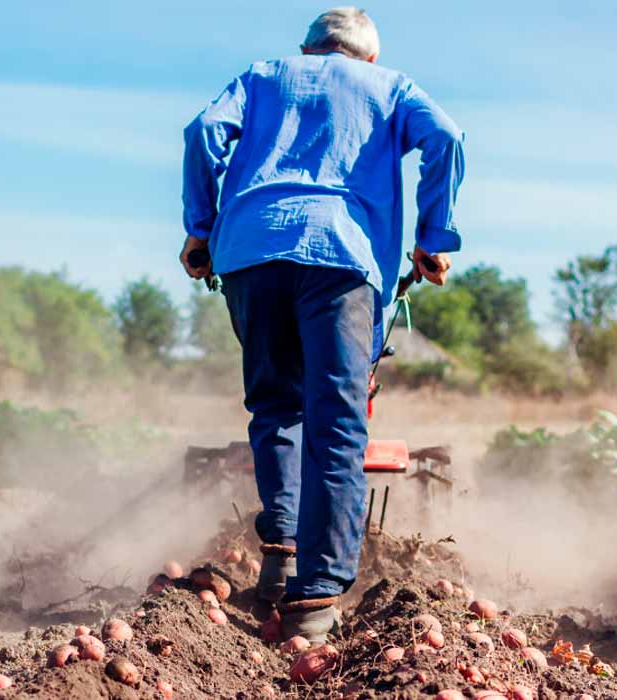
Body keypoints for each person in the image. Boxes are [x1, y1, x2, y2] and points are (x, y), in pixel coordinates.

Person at [179, 6, 465, 642]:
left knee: (276, 407)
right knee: (337, 421)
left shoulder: (263, 75)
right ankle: (316, 601)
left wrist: (200, 229)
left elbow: (203, 132)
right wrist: (433, 235)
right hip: (341, 254)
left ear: (307, 50)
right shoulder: (392, 86)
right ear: (367, 56)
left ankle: (280, 557)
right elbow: (446, 139)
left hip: (251, 249)